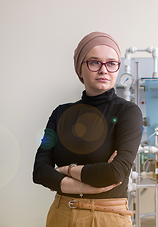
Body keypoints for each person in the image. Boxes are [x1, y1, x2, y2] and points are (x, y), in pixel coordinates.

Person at [33, 32, 142, 227]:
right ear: (80, 69)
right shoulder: (60, 113)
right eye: (94, 62)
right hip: (61, 213)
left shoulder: (128, 112)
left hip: (107, 216)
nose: (104, 70)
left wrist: (67, 170)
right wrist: (88, 186)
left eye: (111, 63)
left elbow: (116, 173)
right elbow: (40, 171)